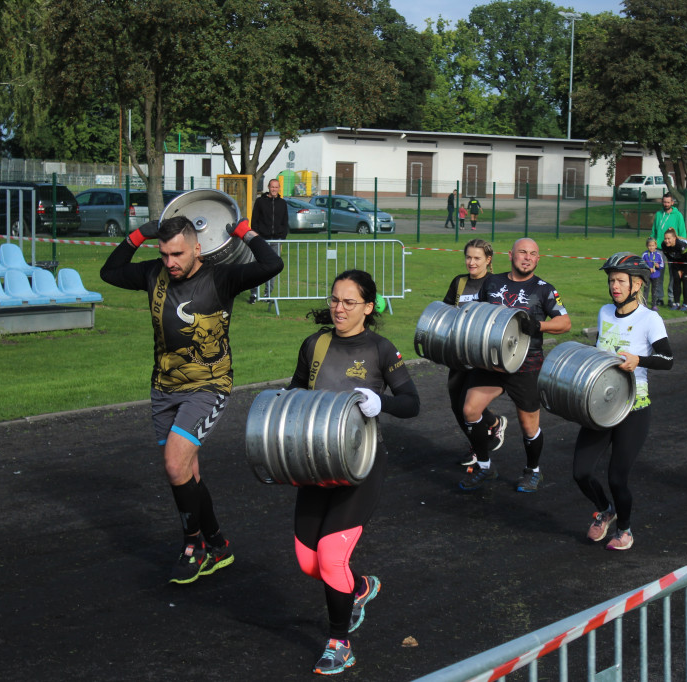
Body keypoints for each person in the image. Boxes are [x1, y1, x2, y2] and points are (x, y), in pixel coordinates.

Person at [99, 215, 284, 584]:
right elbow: (110, 271)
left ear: (197, 248)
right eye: (165, 253)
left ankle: (193, 547)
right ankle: (218, 544)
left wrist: (243, 230)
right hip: (163, 389)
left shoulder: (222, 276)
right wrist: (138, 233)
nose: (171, 262)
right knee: (186, 473)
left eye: (178, 253)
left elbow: (272, 264)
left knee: (173, 465)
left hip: (208, 385)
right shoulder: (154, 274)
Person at [287, 270, 420, 674]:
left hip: (360, 466)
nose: (338, 308)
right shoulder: (315, 343)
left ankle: (339, 643)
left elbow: (412, 402)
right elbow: (294, 394)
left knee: (330, 558)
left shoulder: (381, 349)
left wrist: (382, 403)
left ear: (368, 306)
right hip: (314, 463)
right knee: (308, 562)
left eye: (348, 302)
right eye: (334, 300)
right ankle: (360, 587)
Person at [574, 253, 673, 551]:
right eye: (611, 281)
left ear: (637, 283)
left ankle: (625, 530)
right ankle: (606, 510)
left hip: (634, 408)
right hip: (601, 405)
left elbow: (668, 359)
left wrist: (638, 360)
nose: (614, 286)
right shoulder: (605, 313)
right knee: (581, 472)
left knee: (618, 478)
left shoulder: (650, 319)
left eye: (620, 281)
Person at [459, 238, 571, 492]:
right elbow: (475, 313)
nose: (527, 257)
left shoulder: (544, 289)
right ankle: (485, 467)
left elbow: (565, 323)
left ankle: (533, 471)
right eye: (522, 252)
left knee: (528, 426)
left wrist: (539, 325)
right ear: (511, 255)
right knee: (470, 411)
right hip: (491, 362)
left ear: (537, 259)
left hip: (526, 364)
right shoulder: (492, 282)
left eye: (533, 254)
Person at [442, 239, 507, 468]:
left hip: (481, 356)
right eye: (468, 257)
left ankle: (482, 442)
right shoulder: (459, 282)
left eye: (477, 258)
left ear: (488, 260)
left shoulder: (496, 283)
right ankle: (488, 428)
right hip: (458, 353)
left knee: (467, 404)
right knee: (455, 404)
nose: (471, 262)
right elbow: (447, 311)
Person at [249, 177, 289, 303]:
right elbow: (254, 220)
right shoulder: (260, 202)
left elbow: (285, 221)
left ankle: (267, 294)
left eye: (276, 187)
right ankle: (254, 294)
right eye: (272, 187)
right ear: (268, 187)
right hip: (261, 240)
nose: (274, 189)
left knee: (273, 269)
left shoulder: (282, 203)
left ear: (279, 188)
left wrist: (282, 237)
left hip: (276, 240)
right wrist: (257, 236)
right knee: (257, 267)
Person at [650, 193, 686, 305]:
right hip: (660, 249)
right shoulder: (659, 214)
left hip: (674, 249)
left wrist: (681, 247)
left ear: (672, 203)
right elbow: (654, 231)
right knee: (658, 274)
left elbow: (682, 233)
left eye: (668, 202)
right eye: (664, 202)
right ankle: (659, 298)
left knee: (673, 274)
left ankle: (671, 298)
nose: (666, 204)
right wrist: (652, 245)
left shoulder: (678, 215)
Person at [661, 229, 687, 312]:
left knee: (685, 279)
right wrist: (677, 268)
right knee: (676, 279)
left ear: (674, 238)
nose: (666, 241)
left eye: (669, 238)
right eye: (665, 238)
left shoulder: (681, 245)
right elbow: (670, 257)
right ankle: (676, 303)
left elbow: (685, 258)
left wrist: (681, 269)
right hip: (676, 260)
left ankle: (685, 304)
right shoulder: (664, 245)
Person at [641, 237, 664, 309]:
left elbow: (662, 265)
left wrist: (658, 266)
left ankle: (654, 305)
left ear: (656, 246)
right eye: (649, 246)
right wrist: (648, 268)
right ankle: (644, 304)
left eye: (652, 245)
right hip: (647, 275)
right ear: (647, 246)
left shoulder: (659, 254)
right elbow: (641, 264)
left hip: (656, 276)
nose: (651, 247)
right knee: (646, 290)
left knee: (654, 291)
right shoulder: (644, 254)